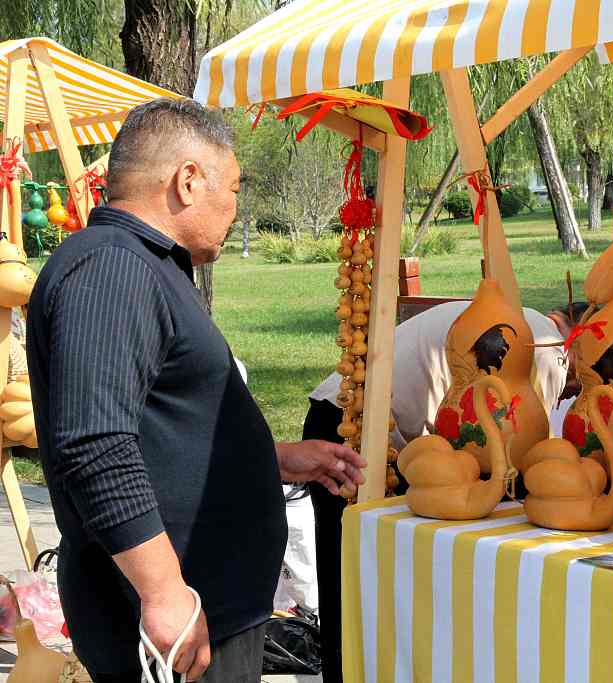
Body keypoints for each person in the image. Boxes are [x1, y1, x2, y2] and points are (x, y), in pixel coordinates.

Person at [26, 98, 366, 683]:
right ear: (188, 181)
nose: (235, 208)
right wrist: (163, 594)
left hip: (206, 607)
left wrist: (272, 459)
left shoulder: (142, 264)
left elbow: (158, 420)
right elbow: (96, 445)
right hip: (178, 619)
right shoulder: (113, 268)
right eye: (232, 188)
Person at [302, 299, 587, 683]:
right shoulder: (546, 345)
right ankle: (349, 669)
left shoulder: (518, 320)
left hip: (343, 409)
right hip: (355, 426)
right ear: (572, 332)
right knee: (353, 567)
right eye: (582, 377)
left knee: (351, 565)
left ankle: (350, 668)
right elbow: (525, 442)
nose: (574, 391)